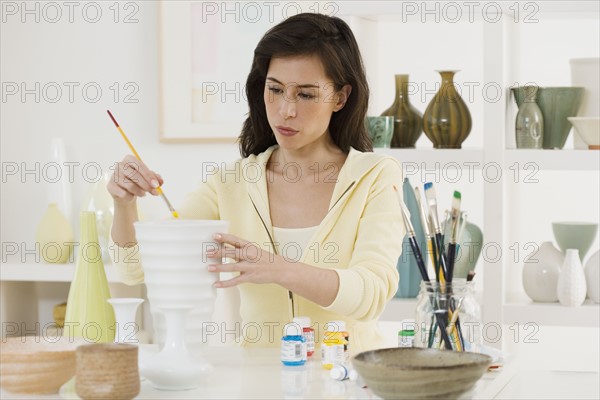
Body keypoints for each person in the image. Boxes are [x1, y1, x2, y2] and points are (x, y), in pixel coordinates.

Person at [108, 12, 404, 353]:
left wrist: (280, 268)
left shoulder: (374, 175)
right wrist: (124, 203)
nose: (285, 110)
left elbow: (372, 292)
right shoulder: (231, 183)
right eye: (275, 89)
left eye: (305, 95)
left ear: (340, 96)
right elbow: (135, 269)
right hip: (258, 380)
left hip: (347, 378)